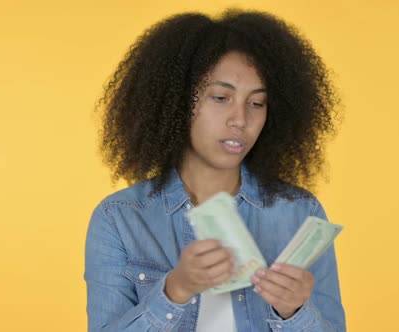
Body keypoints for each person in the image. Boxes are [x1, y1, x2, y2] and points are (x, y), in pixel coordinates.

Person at [84, 9, 346, 332]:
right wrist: (174, 291)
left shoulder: (300, 213)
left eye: (257, 103)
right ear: (175, 103)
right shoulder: (120, 219)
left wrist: (294, 313)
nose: (240, 119)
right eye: (221, 97)